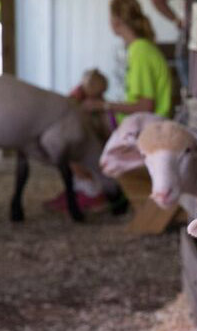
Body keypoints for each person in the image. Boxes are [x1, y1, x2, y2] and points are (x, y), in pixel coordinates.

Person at [46, 0, 173, 213]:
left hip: (147, 130)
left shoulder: (140, 51)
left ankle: (91, 190)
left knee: (74, 136)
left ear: (116, 22)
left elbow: (145, 106)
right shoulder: (140, 48)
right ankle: (92, 187)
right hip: (142, 125)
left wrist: (103, 105)